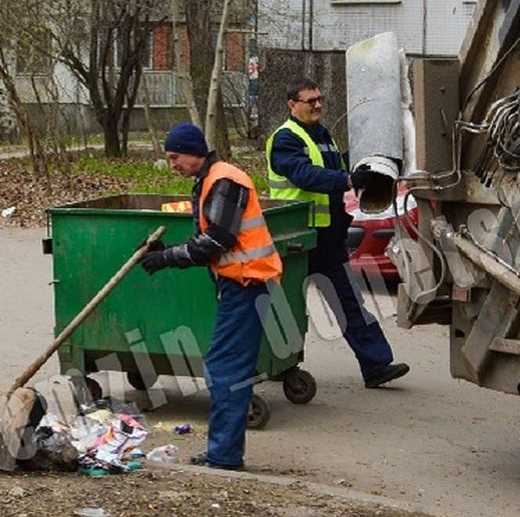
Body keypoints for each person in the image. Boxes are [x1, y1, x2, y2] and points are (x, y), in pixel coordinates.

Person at [141, 122, 281, 470]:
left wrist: (166, 257)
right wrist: (167, 251)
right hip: (243, 284)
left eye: (175, 157)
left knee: (224, 369)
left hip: (246, 283)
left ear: (193, 151)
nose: (172, 164)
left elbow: (216, 241)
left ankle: (224, 456)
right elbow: (210, 235)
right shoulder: (212, 180)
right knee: (227, 367)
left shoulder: (223, 180)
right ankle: (224, 453)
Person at [267, 78, 409, 388]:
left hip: (326, 238)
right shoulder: (286, 138)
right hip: (296, 239)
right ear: (292, 105)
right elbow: (304, 174)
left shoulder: (321, 135)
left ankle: (376, 366)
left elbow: (334, 164)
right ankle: (275, 365)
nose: (318, 105)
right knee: (286, 308)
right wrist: (347, 179)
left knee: (350, 303)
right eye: (310, 101)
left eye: (319, 99)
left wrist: (364, 163)